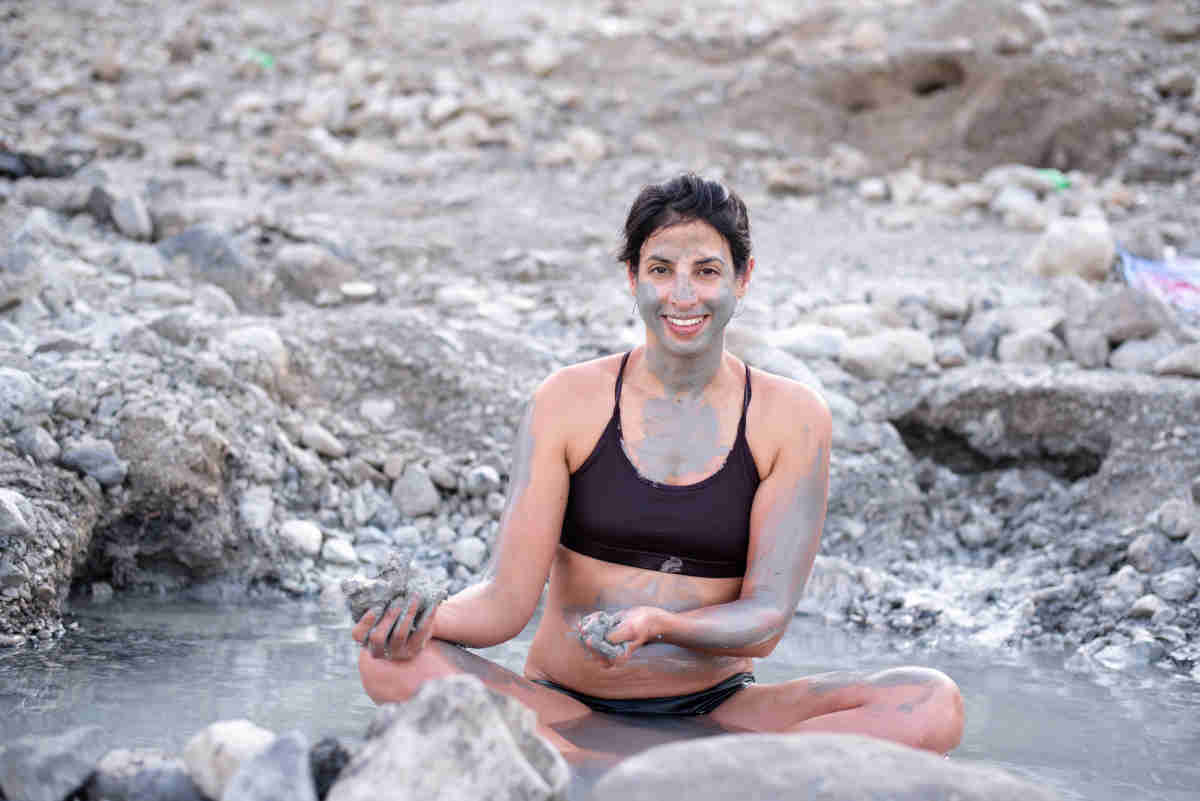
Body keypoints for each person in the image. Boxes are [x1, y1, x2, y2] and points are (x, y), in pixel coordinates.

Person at [352, 173, 964, 756]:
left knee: (929, 703)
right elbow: (504, 606)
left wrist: (661, 624)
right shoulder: (567, 400)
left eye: (707, 271)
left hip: (719, 712)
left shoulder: (792, 418)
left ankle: (597, 775)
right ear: (632, 277)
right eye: (661, 270)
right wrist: (415, 617)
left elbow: (766, 622)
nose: (682, 294)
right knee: (388, 663)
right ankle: (637, 776)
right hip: (559, 708)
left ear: (743, 278)